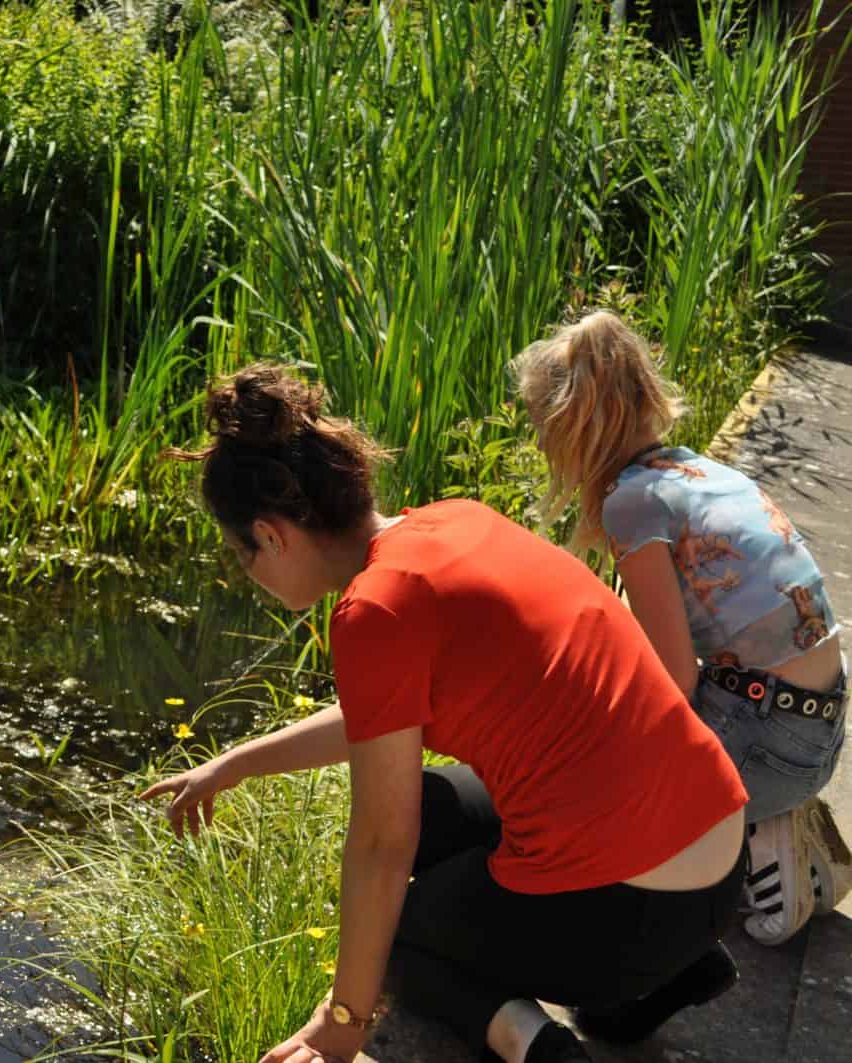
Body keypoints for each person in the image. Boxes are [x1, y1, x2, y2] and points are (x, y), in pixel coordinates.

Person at [141, 363, 748, 1063]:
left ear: (271, 536)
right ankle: (678, 967)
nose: (249, 573)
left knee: (395, 936)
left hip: (635, 909)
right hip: (717, 859)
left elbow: (381, 842)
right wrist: (234, 764)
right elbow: (380, 720)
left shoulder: (372, 610)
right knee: (434, 806)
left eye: (240, 554)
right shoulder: (451, 523)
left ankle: (534, 1042)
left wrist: (343, 1019)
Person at [512, 310, 847, 946]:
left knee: (598, 807)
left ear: (573, 427)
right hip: (818, 723)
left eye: (542, 430)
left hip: (770, 741)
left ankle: (755, 837)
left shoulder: (631, 503)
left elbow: (672, 678)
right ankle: (774, 814)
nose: (539, 447)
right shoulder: (696, 472)